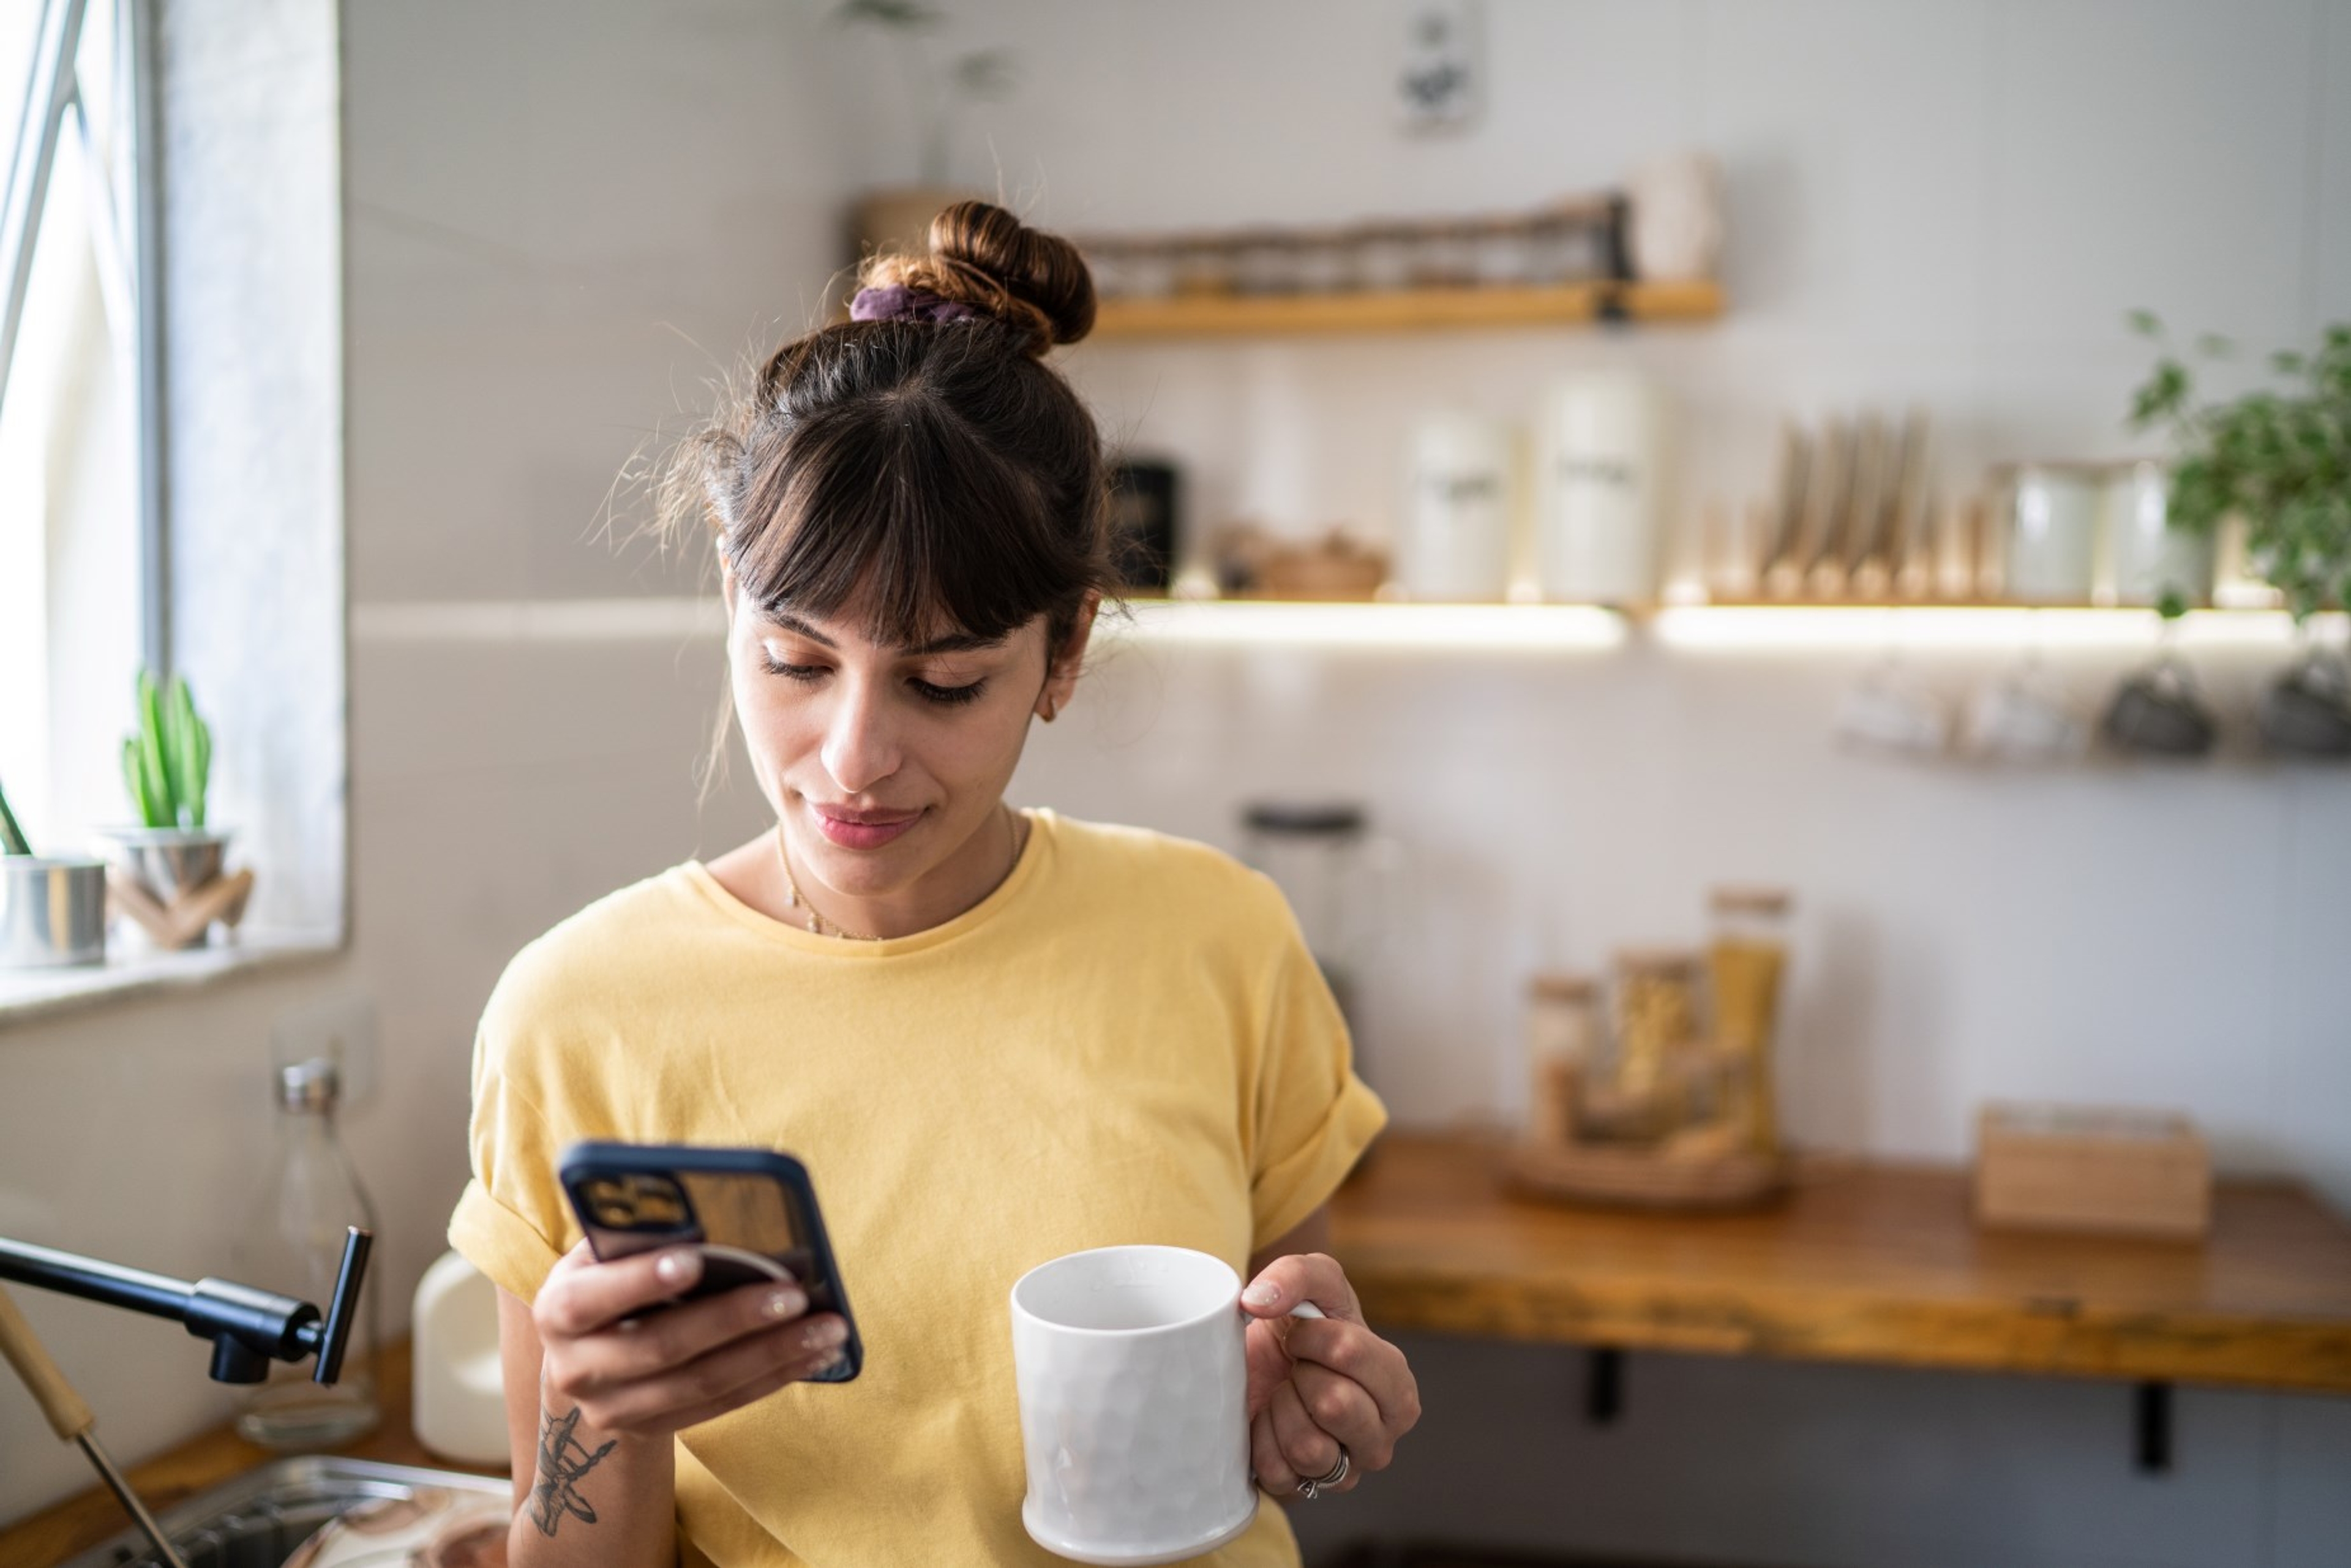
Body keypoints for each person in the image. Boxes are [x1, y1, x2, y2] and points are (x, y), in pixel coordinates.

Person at [447, 201, 1420, 1568]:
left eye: (944, 681)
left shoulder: (1220, 939)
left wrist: (1311, 1413)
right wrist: (604, 1423)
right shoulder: (576, 1013)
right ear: (731, 596)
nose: (852, 758)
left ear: (1065, 649)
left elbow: (1285, 1367)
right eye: (795, 661)